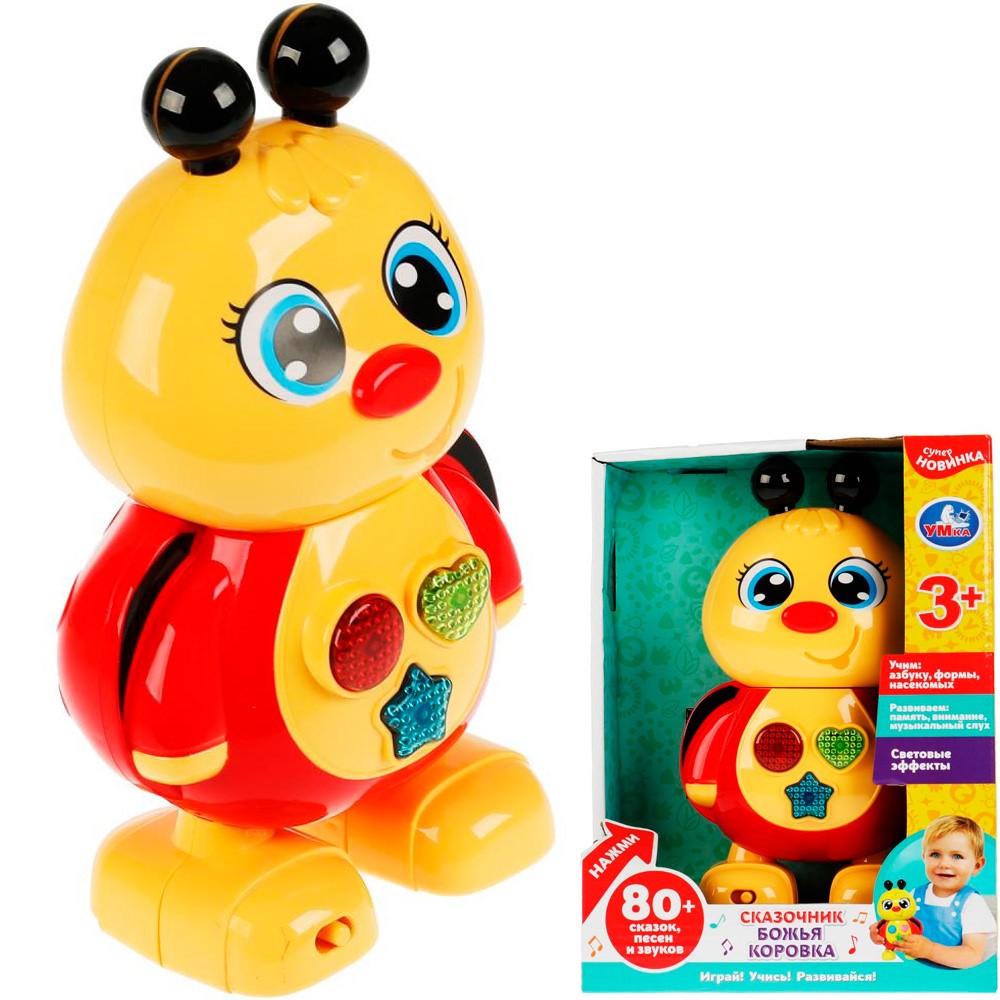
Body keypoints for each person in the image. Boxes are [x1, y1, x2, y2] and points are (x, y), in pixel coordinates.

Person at [871, 815, 996, 969]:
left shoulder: (973, 903)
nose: (944, 864)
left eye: (957, 856)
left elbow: (972, 957)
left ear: (977, 866)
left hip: (953, 979)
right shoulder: (914, 895)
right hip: (915, 973)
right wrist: (881, 931)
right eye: (935, 854)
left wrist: (930, 950)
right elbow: (897, 925)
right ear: (924, 858)